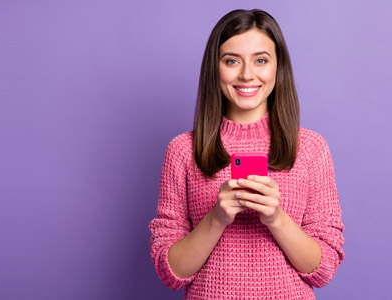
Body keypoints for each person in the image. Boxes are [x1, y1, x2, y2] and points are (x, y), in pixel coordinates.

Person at [148, 9, 345, 299]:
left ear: (278, 67)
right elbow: (172, 272)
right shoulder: (182, 151)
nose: (247, 74)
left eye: (261, 60)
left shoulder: (311, 149)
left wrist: (276, 218)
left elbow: (324, 268)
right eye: (231, 61)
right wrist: (216, 218)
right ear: (215, 68)